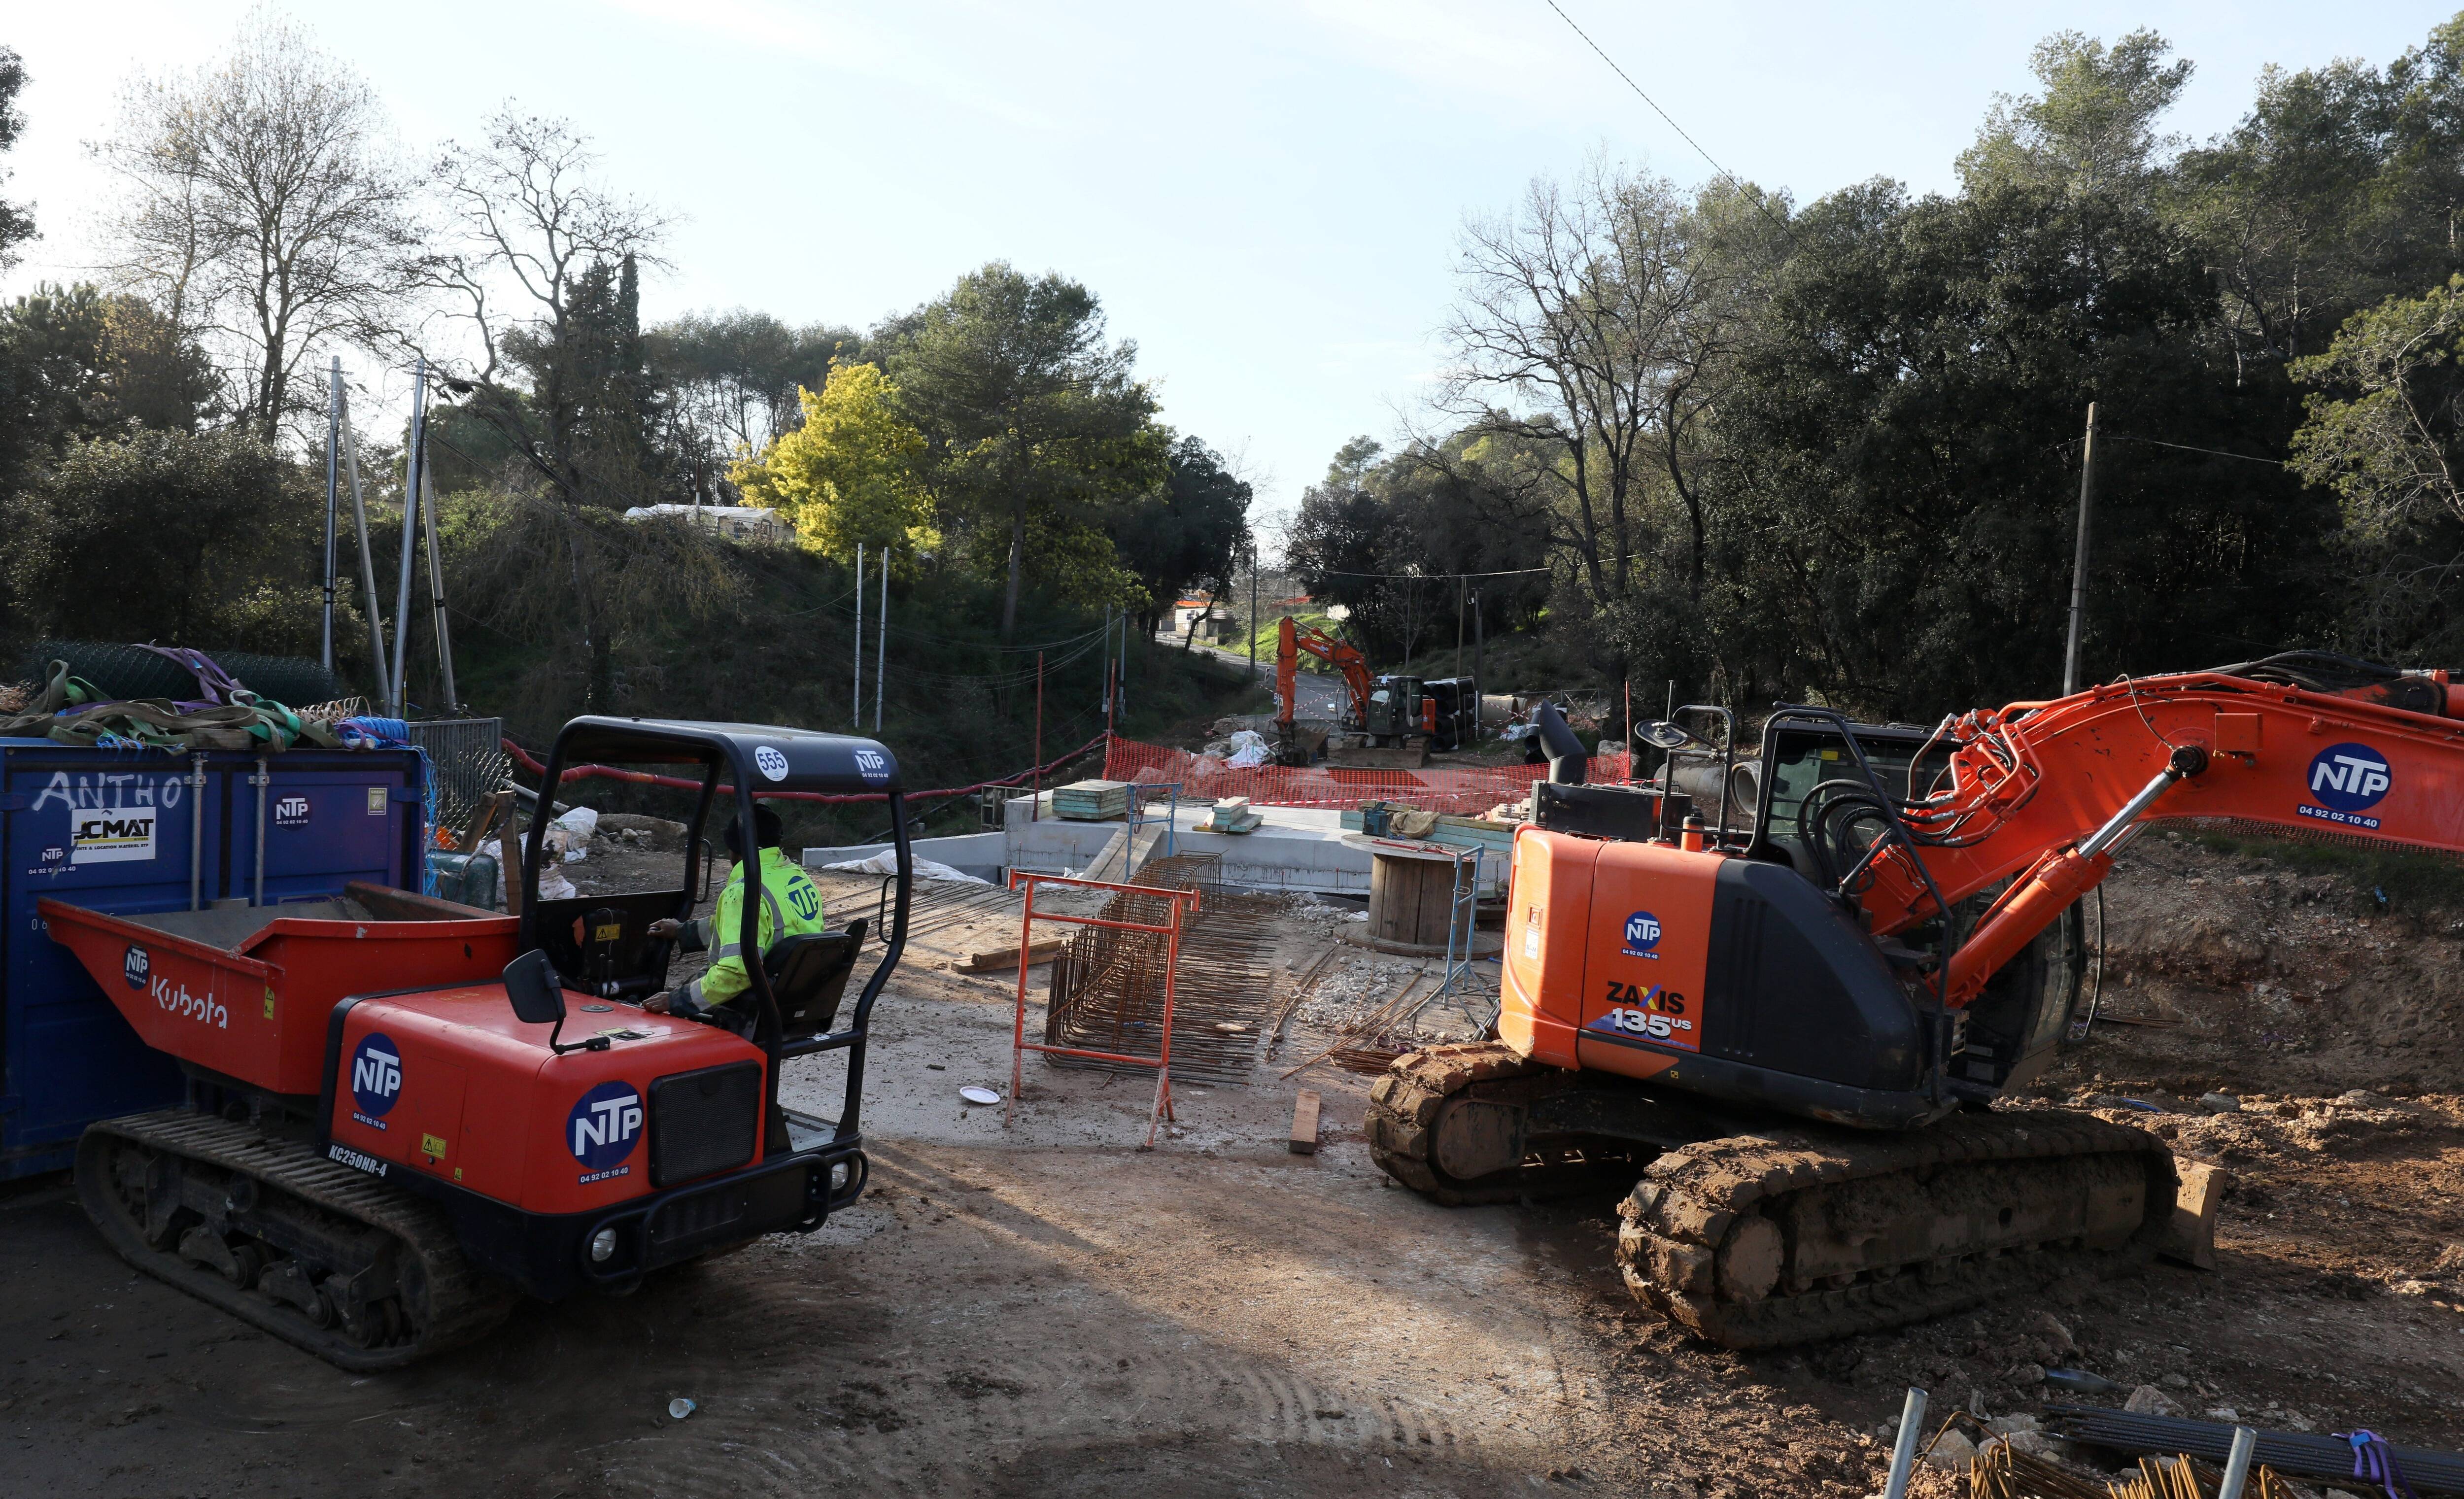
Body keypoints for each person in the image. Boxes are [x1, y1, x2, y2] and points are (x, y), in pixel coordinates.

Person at [642, 802, 827, 1028]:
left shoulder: (744, 892)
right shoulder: (797, 877)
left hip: (753, 1008)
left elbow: (736, 973)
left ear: (734, 847)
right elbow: (747, 930)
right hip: (793, 997)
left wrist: (676, 1000)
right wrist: (683, 931)